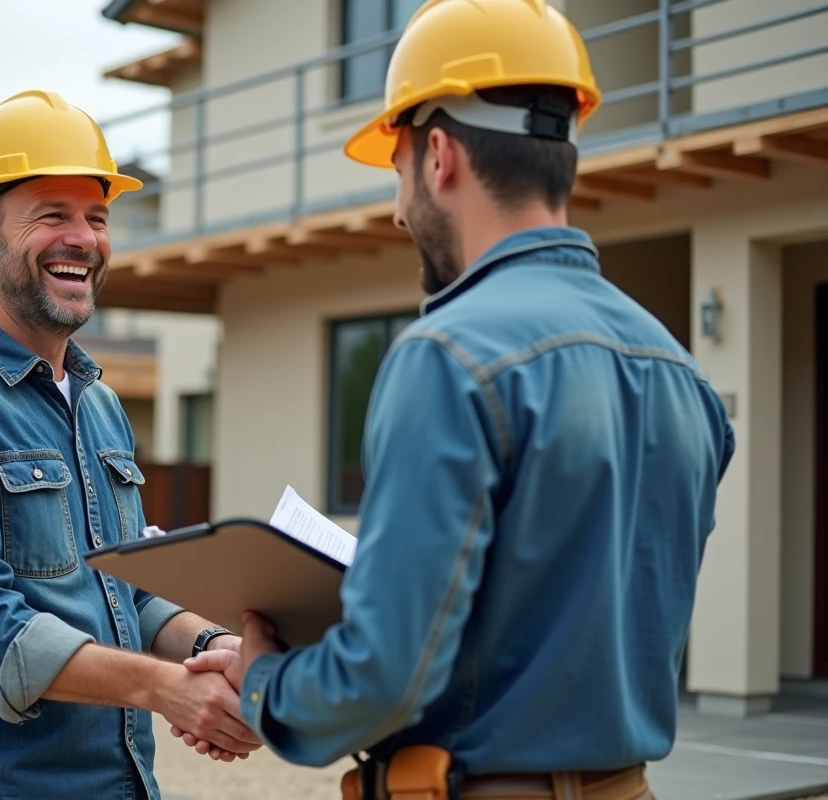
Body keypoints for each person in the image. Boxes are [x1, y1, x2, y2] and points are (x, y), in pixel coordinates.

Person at [184, 1, 736, 798]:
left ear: (438, 154)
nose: (399, 208)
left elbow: (381, 677)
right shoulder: (681, 373)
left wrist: (268, 673)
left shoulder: (447, 357)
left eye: (398, 171)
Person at [0, 89, 260, 800]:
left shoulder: (98, 405)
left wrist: (214, 649)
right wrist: (166, 690)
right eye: (53, 215)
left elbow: (119, 583)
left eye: (98, 218)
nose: (85, 238)